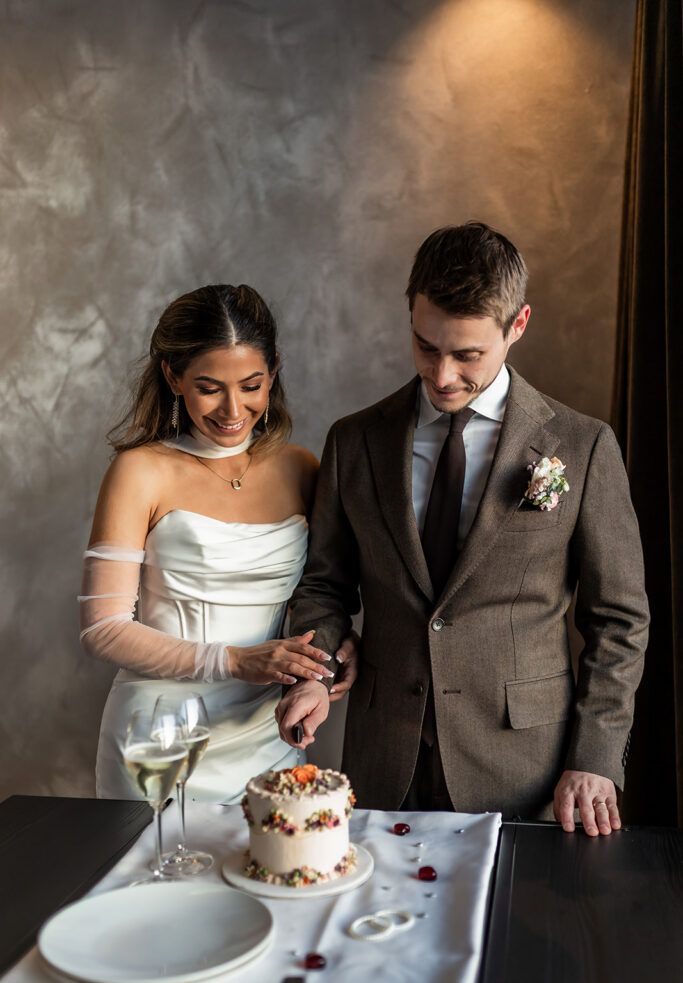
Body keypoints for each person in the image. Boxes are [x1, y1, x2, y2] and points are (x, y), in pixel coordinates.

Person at [276, 222, 649, 836]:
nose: (442, 374)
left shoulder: (583, 447)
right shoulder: (356, 440)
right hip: (382, 763)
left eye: (467, 354)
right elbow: (324, 587)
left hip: (524, 767)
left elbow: (619, 620)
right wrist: (315, 673)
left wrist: (595, 757)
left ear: (517, 326)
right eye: (426, 346)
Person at [79, 283, 355, 802]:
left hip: (268, 739)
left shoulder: (302, 468)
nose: (233, 408)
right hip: (158, 742)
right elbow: (103, 629)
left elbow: (322, 595)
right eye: (209, 387)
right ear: (172, 376)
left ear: (274, 369)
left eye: (251, 384)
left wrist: (334, 655)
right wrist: (234, 661)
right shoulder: (139, 471)